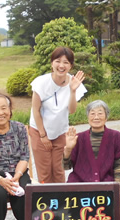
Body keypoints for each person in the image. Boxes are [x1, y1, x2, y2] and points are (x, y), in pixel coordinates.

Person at [28, 46, 87, 183]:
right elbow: (35, 110)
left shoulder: (74, 82)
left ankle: (60, 202)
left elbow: (71, 111)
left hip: (60, 132)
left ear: (71, 66)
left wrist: (72, 91)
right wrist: (43, 135)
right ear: (52, 63)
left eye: (66, 62)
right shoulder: (41, 82)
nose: (61, 65)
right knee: (45, 172)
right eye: (58, 61)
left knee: (59, 170)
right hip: (39, 130)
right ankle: (45, 203)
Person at [63, 100, 120, 202]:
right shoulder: (78, 138)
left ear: (106, 117)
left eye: (100, 113)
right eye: (92, 113)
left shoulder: (115, 137)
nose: (96, 117)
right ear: (88, 117)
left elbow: (118, 166)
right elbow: (66, 166)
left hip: (105, 183)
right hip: (79, 183)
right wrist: (68, 149)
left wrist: (118, 188)